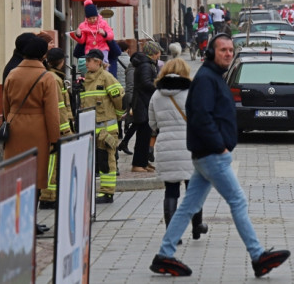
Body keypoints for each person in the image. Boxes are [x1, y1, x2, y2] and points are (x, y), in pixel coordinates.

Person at [149, 34, 290, 278]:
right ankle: (258, 256)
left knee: (188, 206)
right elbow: (201, 116)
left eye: (230, 49)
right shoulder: (206, 79)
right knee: (237, 201)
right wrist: (220, 146)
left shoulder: (212, 76)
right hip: (212, 154)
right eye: (222, 50)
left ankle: (164, 255)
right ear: (212, 52)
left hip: (206, 155)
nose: (227, 53)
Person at [3, 35, 60, 235]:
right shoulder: (46, 77)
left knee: (15, 176)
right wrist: (55, 139)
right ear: (43, 54)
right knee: (34, 178)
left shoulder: (12, 74)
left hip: (15, 126)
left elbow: (5, 106)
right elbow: (52, 112)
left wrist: (9, 122)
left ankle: (14, 221)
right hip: (37, 130)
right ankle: (29, 221)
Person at [148, 57, 208, 241]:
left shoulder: (156, 95)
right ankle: (197, 226)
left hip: (166, 146)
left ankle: (173, 234)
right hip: (191, 145)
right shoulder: (193, 93)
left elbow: (153, 123)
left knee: (171, 190)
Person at [81, 49, 125, 202]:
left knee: (107, 161)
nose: (86, 64)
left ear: (97, 62)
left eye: (88, 61)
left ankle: (107, 193)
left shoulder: (106, 77)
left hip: (106, 129)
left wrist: (118, 115)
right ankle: (101, 191)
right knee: (98, 162)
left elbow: (119, 99)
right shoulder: (87, 80)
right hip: (92, 129)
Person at [39, 48, 74, 210]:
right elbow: (59, 107)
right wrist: (66, 131)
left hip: (54, 127)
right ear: (61, 61)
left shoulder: (51, 76)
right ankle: (48, 198)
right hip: (58, 129)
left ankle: (50, 195)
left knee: (52, 163)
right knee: (52, 163)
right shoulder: (54, 79)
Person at [131, 43, 161, 172]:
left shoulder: (148, 64)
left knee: (146, 134)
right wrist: (159, 84)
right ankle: (138, 164)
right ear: (154, 53)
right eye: (158, 52)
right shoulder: (145, 66)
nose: (159, 54)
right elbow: (145, 83)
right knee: (143, 135)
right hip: (143, 103)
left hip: (144, 102)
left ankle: (143, 162)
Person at [72, 0, 115, 64]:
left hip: (102, 48)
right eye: (89, 19)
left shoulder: (103, 23)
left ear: (97, 16)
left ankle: (104, 73)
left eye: (94, 18)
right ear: (86, 18)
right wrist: (79, 35)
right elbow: (82, 41)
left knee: (104, 63)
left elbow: (111, 35)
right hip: (90, 50)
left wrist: (104, 34)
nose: (92, 20)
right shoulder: (83, 25)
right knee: (91, 65)